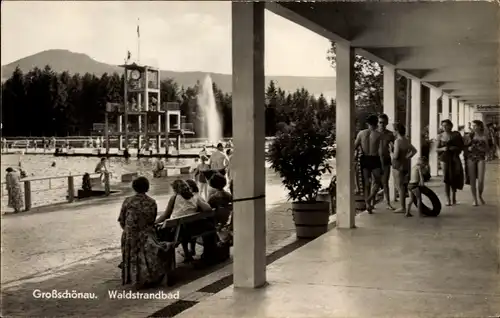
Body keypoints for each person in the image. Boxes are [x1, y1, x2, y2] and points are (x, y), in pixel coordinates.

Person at [118, 177, 172, 289]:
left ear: (134, 187)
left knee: (133, 250)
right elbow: (152, 220)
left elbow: (122, 219)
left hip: (130, 234)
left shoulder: (128, 201)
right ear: (147, 187)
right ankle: (146, 276)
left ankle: (134, 278)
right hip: (147, 234)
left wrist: (128, 230)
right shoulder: (152, 202)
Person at [156, 180, 216, 263]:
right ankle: (190, 251)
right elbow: (208, 209)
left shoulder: (174, 197)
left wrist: (155, 223)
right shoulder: (195, 197)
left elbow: (165, 215)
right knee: (187, 224)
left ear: (175, 190)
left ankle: (185, 254)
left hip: (178, 232)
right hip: (193, 229)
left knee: (169, 229)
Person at [354, 114, 383, 213]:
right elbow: (382, 152)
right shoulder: (379, 134)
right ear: (376, 123)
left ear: (367, 123)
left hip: (365, 158)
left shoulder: (361, 133)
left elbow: (354, 146)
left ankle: (367, 204)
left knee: (366, 183)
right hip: (374, 158)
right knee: (377, 182)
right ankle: (369, 199)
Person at [436, 119, 465, 206]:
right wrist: (443, 148)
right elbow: (436, 149)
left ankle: (454, 198)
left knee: (455, 176)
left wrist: (454, 148)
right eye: (443, 125)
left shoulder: (456, 135)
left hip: (454, 157)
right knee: (446, 178)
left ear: (451, 126)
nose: (444, 127)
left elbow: (461, 147)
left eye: (446, 125)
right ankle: (448, 199)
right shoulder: (440, 136)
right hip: (444, 158)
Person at [391, 123, 417, 213]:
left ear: (397, 131)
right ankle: (403, 206)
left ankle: (402, 207)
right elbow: (414, 150)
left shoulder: (397, 141)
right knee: (402, 186)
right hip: (404, 164)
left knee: (399, 186)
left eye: (394, 130)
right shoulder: (406, 140)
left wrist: (390, 151)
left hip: (397, 165)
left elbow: (395, 156)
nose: (393, 132)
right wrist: (407, 157)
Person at [464, 120, 489, 206]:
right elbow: (464, 147)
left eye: (475, 126)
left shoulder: (484, 137)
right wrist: (468, 149)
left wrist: (482, 149)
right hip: (471, 158)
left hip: (481, 157)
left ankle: (480, 195)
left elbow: (487, 149)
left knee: (481, 180)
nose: (473, 127)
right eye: (473, 126)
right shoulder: (469, 136)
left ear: (480, 126)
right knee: (472, 180)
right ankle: (474, 199)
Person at [377, 113, 396, 210]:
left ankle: (388, 202)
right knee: (374, 183)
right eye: (380, 122)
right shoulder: (374, 133)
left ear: (387, 123)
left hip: (386, 160)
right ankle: (371, 203)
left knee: (385, 182)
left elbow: (395, 148)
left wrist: (393, 148)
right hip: (375, 160)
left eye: (383, 123)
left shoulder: (390, 134)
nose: (382, 124)